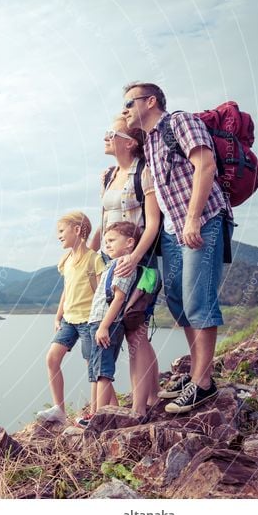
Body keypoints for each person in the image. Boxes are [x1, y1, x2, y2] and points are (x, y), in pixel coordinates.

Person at [122, 81, 233, 414]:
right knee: (178, 301)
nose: (125, 109)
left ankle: (203, 384)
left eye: (129, 103)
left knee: (198, 299)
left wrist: (193, 218)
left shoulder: (179, 122)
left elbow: (206, 165)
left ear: (150, 101)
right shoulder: (151, 142)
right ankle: (199, 373)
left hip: (203, 221)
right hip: (173, 232)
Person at [88, 116, 161, 418]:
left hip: (138, 259)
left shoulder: (144, 173)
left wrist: (134, 256)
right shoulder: (107, 175)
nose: (106, 137)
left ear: (129, 142)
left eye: (112, 133)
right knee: (117, 329)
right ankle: (149, 396)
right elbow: (105, 217)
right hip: (110, 260)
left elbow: (153, 222)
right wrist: (92, 250)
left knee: (136, 330)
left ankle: (139, 408)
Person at [36, 211, 107, 424]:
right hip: (69, 320)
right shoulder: (66, 259)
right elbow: (67, 290)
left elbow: (102, 291)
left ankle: (98, 413)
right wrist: (58, 316)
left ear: (77, 230)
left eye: (61, 230)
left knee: (93, 368)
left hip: (88, 321)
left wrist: (102, 321)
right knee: (52, 358)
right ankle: (59, 409)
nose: (58, 235)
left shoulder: (94, 259)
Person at [79, 222, 142, 427]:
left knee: (103, 371)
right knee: (97, 371)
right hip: (98, 322)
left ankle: (97, 417)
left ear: (130, 243)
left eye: (112, 240)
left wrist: (104, 326)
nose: (107, 245)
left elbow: (118, 298)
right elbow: (93, 248)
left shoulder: (124, 264)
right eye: (106, 241)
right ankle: (95, 414)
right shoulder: (111, 264)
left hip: (107, 322)